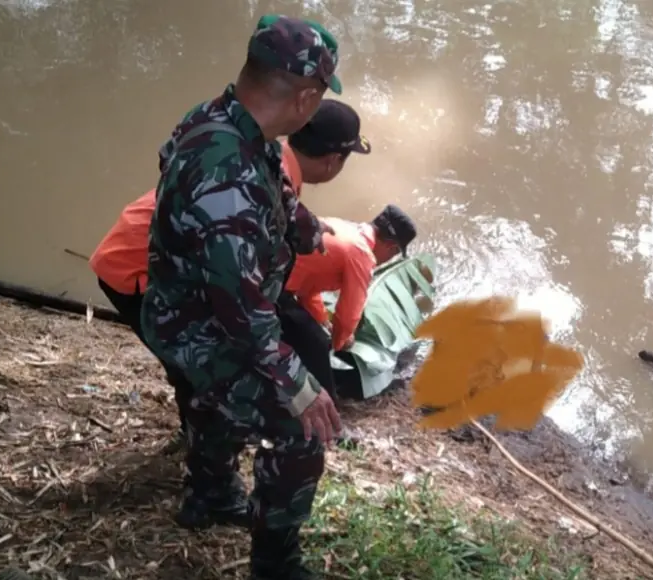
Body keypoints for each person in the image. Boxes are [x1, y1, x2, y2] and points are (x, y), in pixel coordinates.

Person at [140, 15, 344, 580]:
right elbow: (243, 311)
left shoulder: (219, 119)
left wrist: (305, 226)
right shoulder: (227, 171)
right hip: (203, 328)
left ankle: (209, 496)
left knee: (215, 406)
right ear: (305, 98)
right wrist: (297, 383)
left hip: (184, 312)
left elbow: (270, 189)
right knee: (299, 429)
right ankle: (275, 564)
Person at [88, 98, 370, 450]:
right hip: (138, 269)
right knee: (199, 368)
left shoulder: (271, 153)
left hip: (147, 250)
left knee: (207, 364)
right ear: (333, 162)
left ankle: (200, 439)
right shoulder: (269, 178)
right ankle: (202, 453)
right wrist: (292, 378)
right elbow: (243, 299)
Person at [281, 204, 417, 398]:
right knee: (317, 345)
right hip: (274, 287)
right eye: (393, 255)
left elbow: (309, 285)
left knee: (310, 331)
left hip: (273, 272)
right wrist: (340, 342)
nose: (387, 260)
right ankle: (325, 405)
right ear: (391, 247)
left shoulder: (346, 228)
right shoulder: (361, 254)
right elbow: (348, 315)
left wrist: (322, 320)